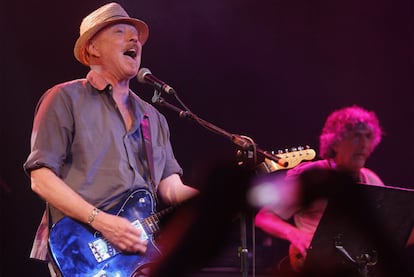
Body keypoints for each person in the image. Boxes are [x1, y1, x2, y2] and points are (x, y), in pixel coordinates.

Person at [23, 3, 198, 276]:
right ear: (92, 48)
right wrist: (103, 222)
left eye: (136, 37)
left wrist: (210, 199)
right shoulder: (64, 99)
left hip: (138, 252)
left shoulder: (153, 117)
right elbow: (40, 178)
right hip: (82, 247)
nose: (134, 40)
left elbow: (170, 187)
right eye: (120, 32)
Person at [254, 105, 386, 276]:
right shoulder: (312, 175)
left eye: (368, 136)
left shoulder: (372, 179)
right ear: (336, 141)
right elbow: (263, 217)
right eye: (356, 136)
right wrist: (296, 235)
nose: (364, 144)